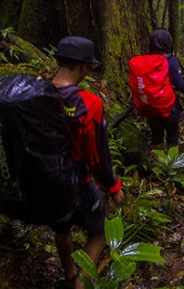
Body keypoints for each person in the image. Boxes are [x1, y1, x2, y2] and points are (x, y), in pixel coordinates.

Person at [50, 36, 124, 288]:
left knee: (62, 228)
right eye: (90, 66)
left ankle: (68, 272)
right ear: (82, 66)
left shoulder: (38, 95)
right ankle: (80, 283)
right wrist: (112, 187)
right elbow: (98, 154)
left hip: (45, 182)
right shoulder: (89, 103)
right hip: (76, 183)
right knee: (100, 229)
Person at [144, 28, 184, 148]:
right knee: (172, 137)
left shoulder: (146, 61)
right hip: (169, 107)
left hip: (150, 108)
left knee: (156, 136)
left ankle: (157, 163)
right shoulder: (171, 60)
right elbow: (179, 82)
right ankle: (172, 165)